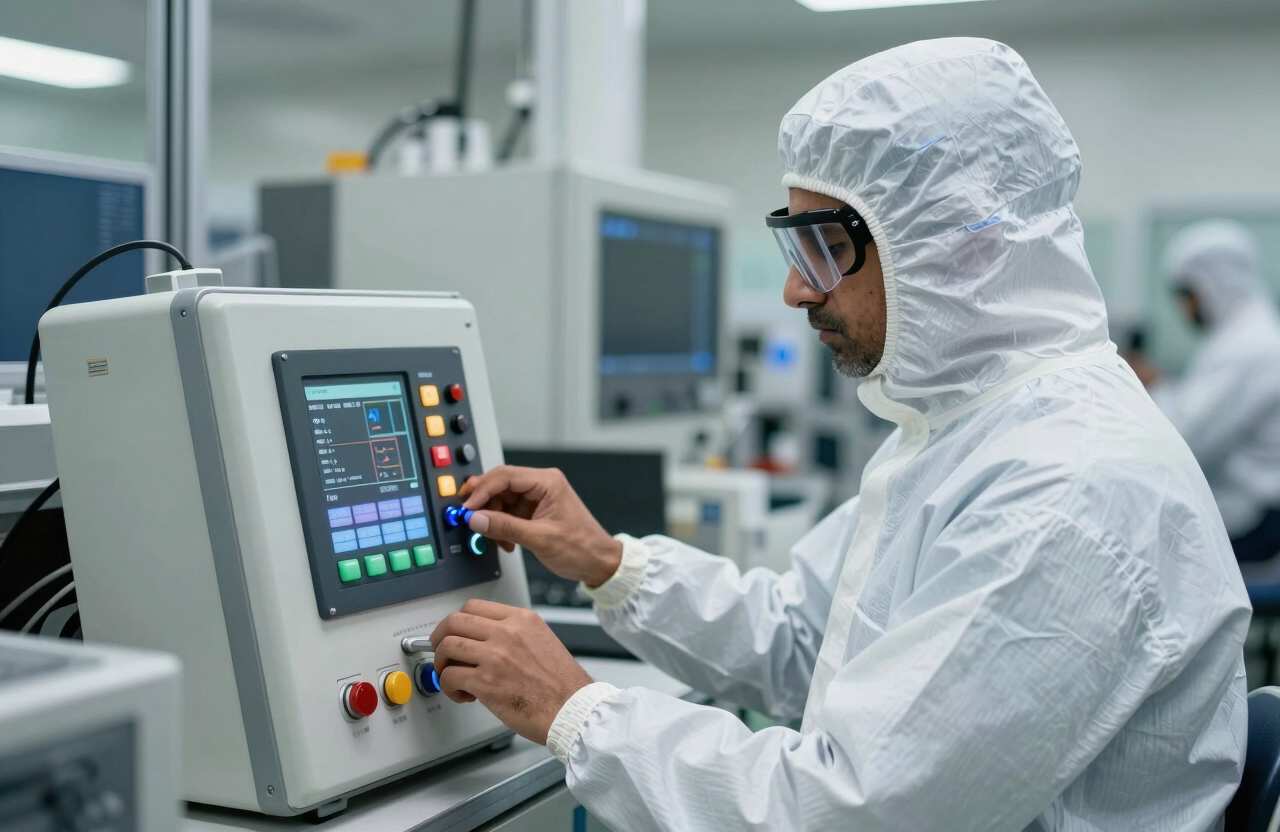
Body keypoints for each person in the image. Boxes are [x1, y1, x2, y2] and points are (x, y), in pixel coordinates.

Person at [428, 38, 1250, 831]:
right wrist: (608, 563)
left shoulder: (1067, 488)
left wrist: (574, 709)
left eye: (825, 246)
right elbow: (804, 639)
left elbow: (842, 813)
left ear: (962, 247)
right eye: (796, 245)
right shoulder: (967, 428)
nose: (794, 290)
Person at [1132, 220, 1280, 562]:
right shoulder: (1241, 336)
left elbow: (1186, 441)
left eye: (1188, 295)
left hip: (1252, 520)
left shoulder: (1247, 347)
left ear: (1216, 283)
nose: (1184, 309)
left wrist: (1152, 385)